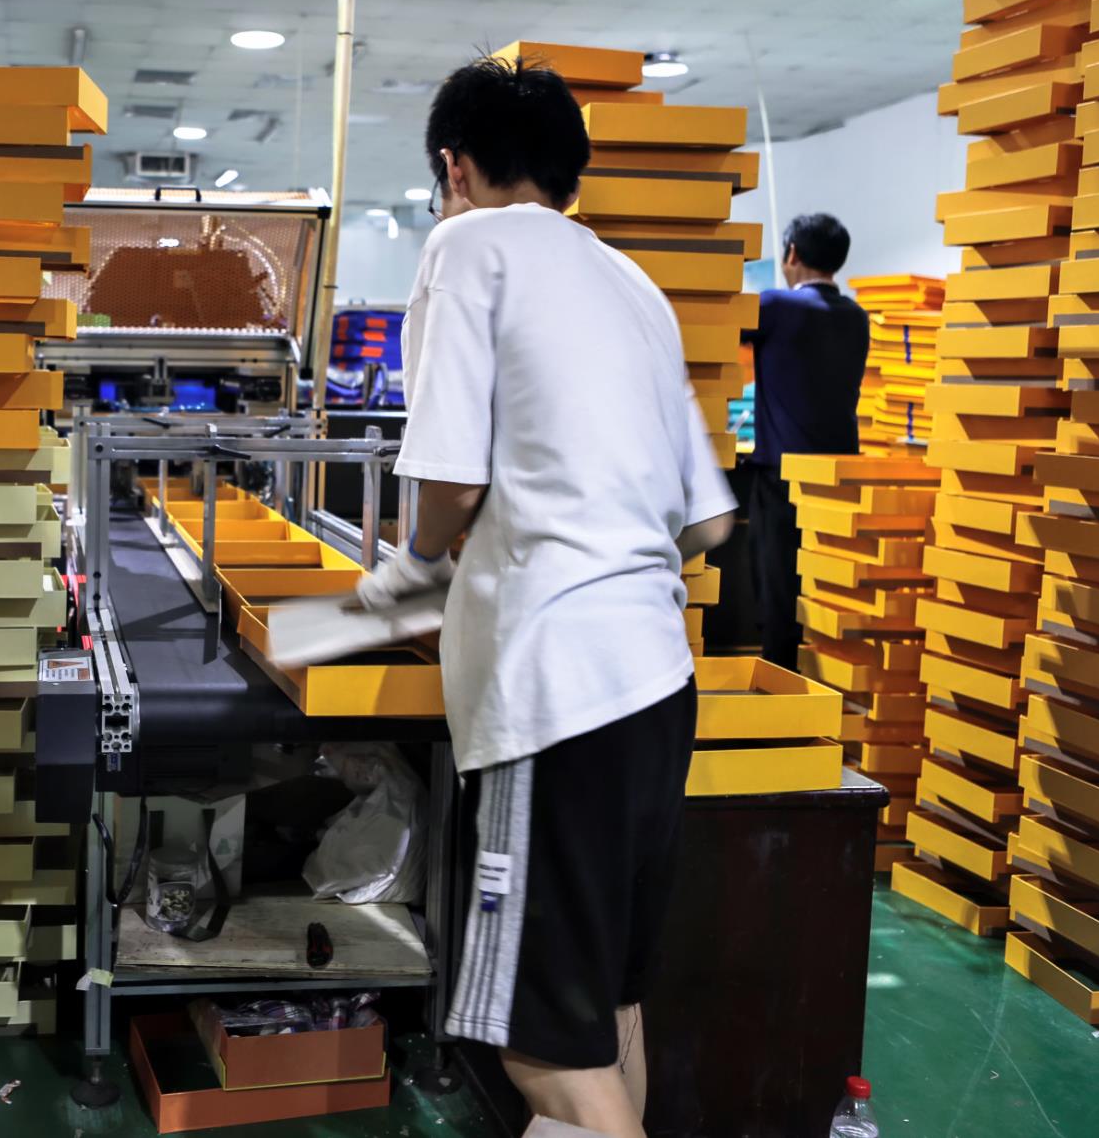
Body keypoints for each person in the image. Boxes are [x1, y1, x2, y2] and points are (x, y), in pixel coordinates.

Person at [349, 56, 737, 1138]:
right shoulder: (634, 285)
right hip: (656, 686)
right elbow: (699, 519)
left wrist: (411, 571)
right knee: (604, 1008)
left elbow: (451, 482)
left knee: (539, 1048)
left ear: (453, 166)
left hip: (555, 700)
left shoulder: (467, 244)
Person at [745, 214, 870, 669]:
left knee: (777, 593)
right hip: (839, 477)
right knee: (825, 593)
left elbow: (722, 326)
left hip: (782, 476)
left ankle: (778, 691)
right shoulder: (857, 317)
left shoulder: (777, 306)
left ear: (792, 252)